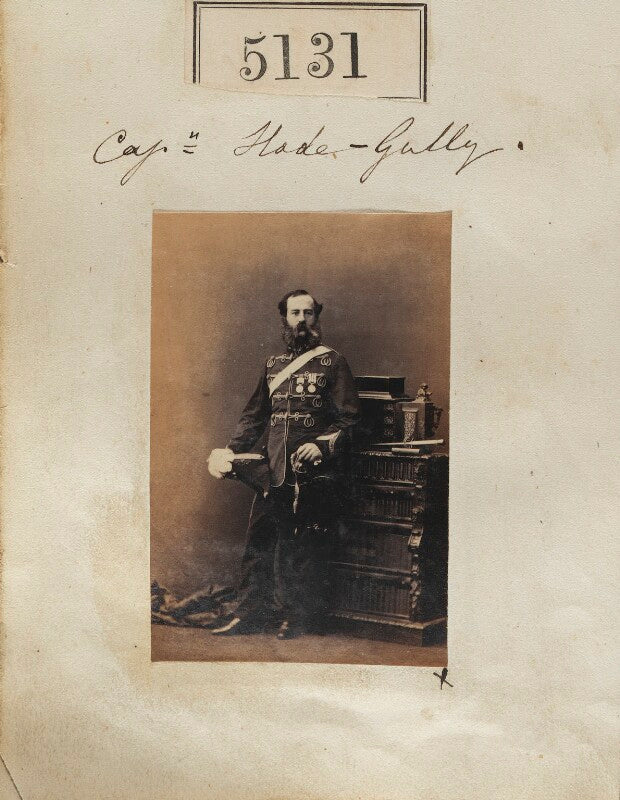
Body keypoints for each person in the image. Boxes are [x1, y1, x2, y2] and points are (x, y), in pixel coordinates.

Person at [207, 289, 361, 639]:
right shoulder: (272, 365)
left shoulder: (333, 363)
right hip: (273, 468)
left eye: (308, 313)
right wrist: (229, 451)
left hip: (312, 472)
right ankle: (249, 613)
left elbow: (351, 420)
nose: (302, 321)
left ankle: (296, 616)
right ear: (285, 319)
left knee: (301, 544)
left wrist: (321, 446)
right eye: (295, 313)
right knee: (259, 539)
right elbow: (254, 416)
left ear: (316, 317)